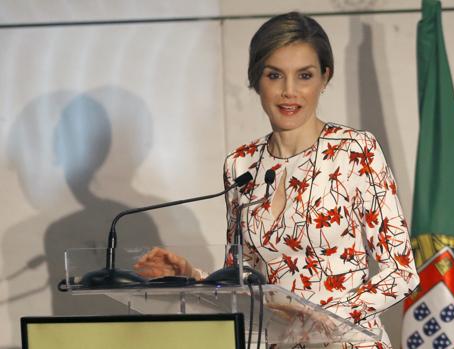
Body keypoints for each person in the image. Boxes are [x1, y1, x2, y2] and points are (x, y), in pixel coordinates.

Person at [135, 12, 419, 348]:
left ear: (324, 78)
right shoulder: (240, 164)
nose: (289, 92)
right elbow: (242, 281)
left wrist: (325, 315)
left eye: (304, 76)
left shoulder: (355, 150)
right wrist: (189, 277)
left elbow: (401, 273)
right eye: (274, 75)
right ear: (257, 80)